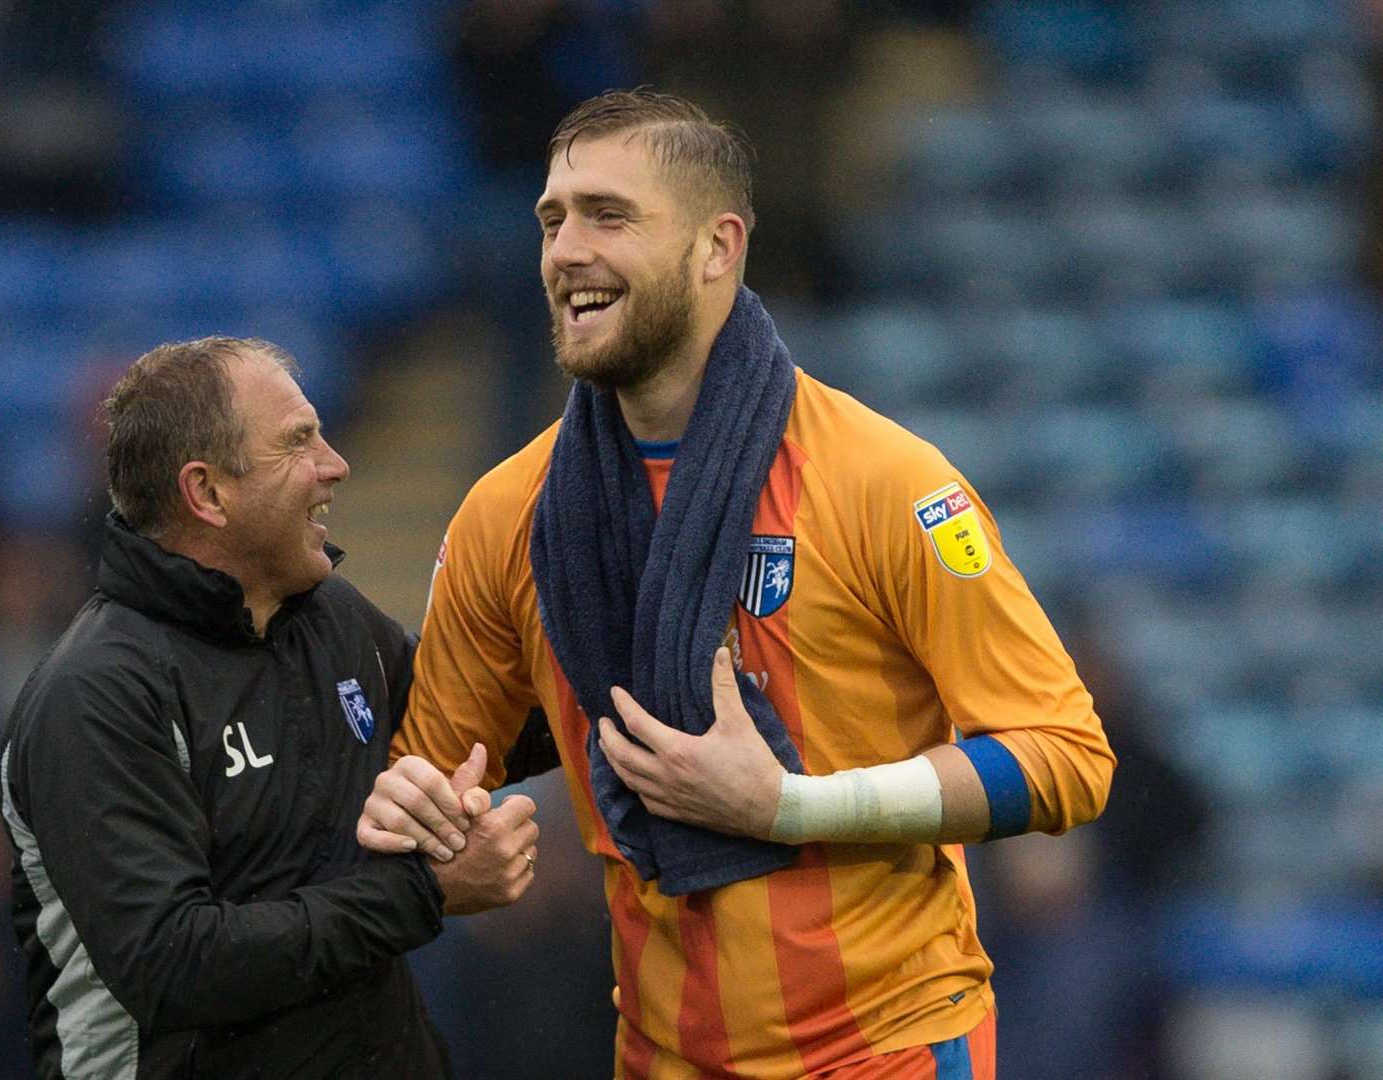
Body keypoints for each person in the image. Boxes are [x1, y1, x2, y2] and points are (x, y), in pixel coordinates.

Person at [357, 91, 1116, 1079]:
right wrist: (446, 867)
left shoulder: (886, 481)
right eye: (552, 219)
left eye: (607, 215)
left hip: (886, 1049)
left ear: (718, 247)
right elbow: (435, 802)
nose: (564, 250)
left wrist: (789, 808)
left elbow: (1065, 756)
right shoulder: (508, 515)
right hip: (659, 1054)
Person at [0, 337, 540, 1080]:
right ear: (208, 493)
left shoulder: (334, 621)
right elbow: (174, 965)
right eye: (297, 442)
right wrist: (424, 891)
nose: (335, 463)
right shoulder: (97, 695)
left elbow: (479, 721)